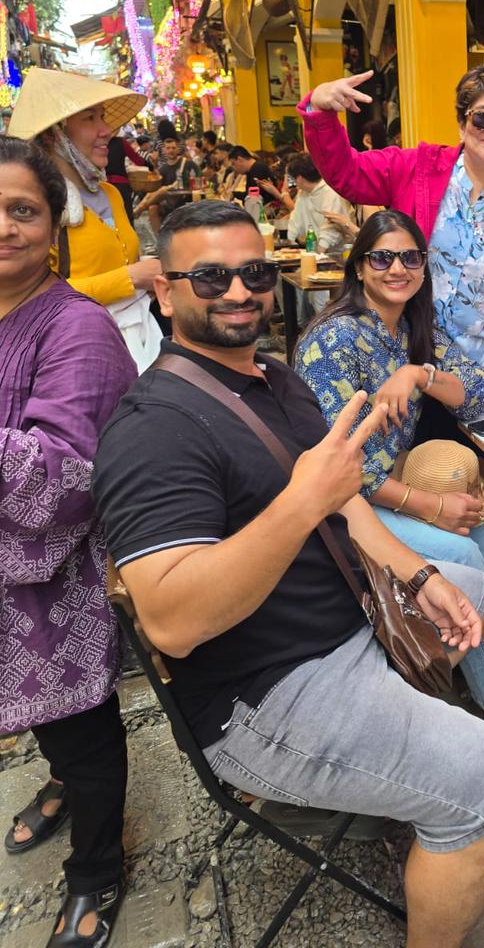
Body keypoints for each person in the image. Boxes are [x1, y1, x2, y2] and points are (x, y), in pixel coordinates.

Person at [92, 201, 484, 948]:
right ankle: (387, 796)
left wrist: (420, 577)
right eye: (211, 275)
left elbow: (346, 503)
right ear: (164, 292)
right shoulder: (152, 430)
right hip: (268, 690)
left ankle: (389, 781)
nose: (238, 291)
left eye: (255, 272)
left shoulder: (275, 381)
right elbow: (172, 622)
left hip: (345, 622)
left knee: (474, 587)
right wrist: (302, 502)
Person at [297, 210, 484, 767]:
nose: (398, 268)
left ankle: (433, 660)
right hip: (341, 501)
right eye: (382, 257)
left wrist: (419, 374)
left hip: (389, 479)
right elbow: (339, 465)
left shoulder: (413, 329)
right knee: (460, 551)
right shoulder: (334, 340)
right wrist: (428, 504)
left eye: (411, 257)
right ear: (359, 268)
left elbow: (479, 394)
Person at [0, 135, 137, 948]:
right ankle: (58, 781)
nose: (5, 227)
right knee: (50, 729)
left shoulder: (77, 329)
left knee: (83, 727)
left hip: (57, 579)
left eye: (23, 211)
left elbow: (57, 481)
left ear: (54, 227)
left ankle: (96, 867)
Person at [297, 62, 484, 413]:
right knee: (412, 462)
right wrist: (321, 111)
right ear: (462, 122)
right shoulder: (418, 168)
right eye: (482, 117)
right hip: (407, 363)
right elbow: (347, 174)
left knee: (470, 466)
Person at [8, 68, 163, 372]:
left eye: (103, 117)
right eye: (90, 119)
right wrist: (131, 279)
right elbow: (25, 299)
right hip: (76, 354)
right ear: (56, 134)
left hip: (141, 342)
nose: (107, 130)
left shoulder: (111, 193)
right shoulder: (32, 209)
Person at [283, 152, 355, 250]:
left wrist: (319, 254)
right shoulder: (303, 192)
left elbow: (331, 230)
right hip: (314, 250)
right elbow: (295, 221)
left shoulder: (331, 192)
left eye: (292, 178)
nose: (292, 182)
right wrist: (289, 246)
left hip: (336, 253)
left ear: (300, 179)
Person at [105, 135, 147, 224]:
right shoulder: (120, 142)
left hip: (103, 185)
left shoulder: (95, 143)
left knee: (109, 217)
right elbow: (137, 160)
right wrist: (150, 166)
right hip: (121, 184)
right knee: (127, 216)